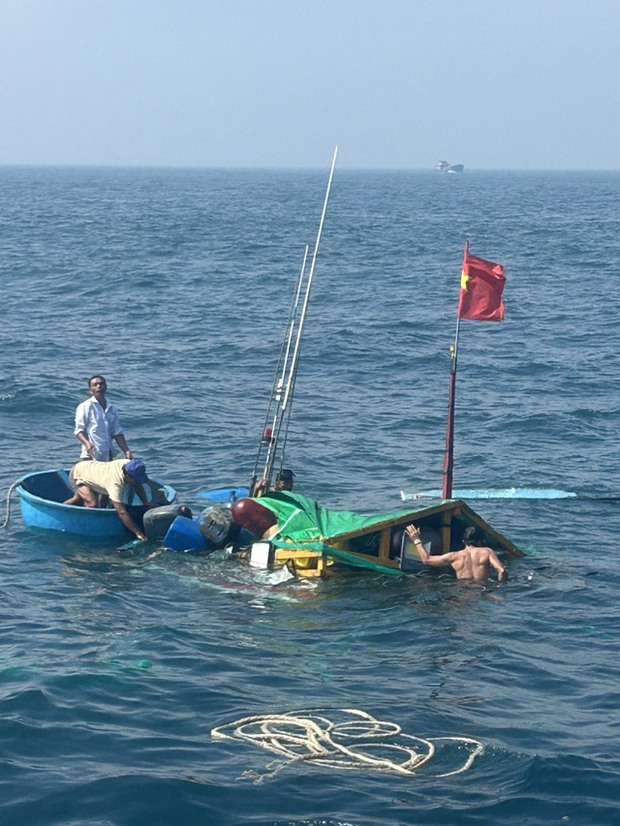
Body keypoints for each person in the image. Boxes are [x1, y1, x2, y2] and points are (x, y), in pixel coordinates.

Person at [64, 458, 157, 540]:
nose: (137, 481)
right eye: (136, 479)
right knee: (92, 504)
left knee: (91, 501)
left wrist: (146, 502)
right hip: (78, 473)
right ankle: (68, 514)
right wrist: (138, 533)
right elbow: (122, 513)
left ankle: (72, 503)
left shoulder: (129, 464)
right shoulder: (115, 484)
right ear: (127, 476)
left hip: (93, 472)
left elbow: (138, 486)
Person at [405, 524, 507, 582]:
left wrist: (416, 540)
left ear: (463, 542)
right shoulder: (487, 552)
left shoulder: (454, 556)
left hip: (463, 591)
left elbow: (427, 560)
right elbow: (502, 571)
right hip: (483, 589)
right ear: (480, 541)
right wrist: (500, 587)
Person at [74, 375, 133, 462]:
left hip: (108, 455)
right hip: (90, 455)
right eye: (95, 385)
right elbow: (79, 430)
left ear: (106, 387)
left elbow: (117, 433)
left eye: (101, 384)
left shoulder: (112, 409)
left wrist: (126, 451)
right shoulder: (85, 407)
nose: (99, 386)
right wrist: (87, 443)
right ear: (90, 390)